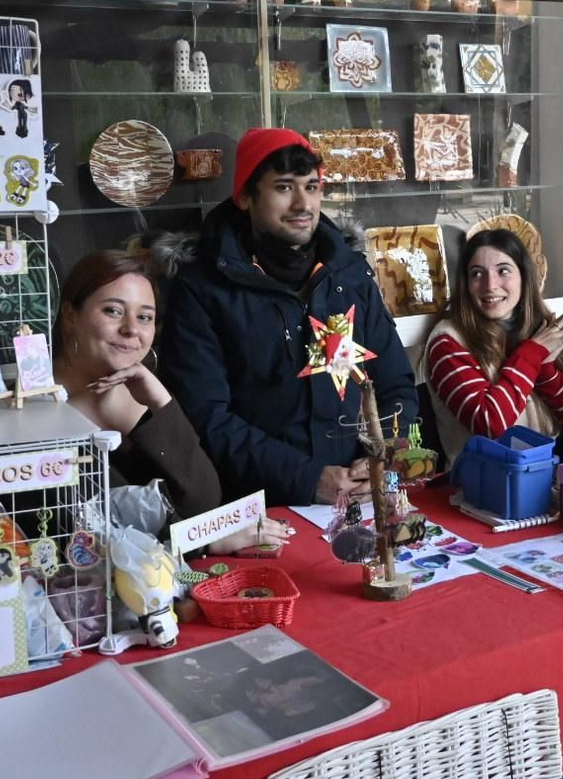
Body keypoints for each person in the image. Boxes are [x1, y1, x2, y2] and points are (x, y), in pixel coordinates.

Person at [158, 128, 417, 507]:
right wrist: (308, 478)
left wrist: (383, 455)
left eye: (312, 187)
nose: (303, 204)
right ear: (246, 196)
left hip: (362, 495)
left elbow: (395, 383)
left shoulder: (349, 275)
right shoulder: (203, 290)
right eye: (284, 188)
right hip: (259, 509)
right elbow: (205, 419)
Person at [54, 250, 289, 551]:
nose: (132, 329)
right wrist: (202, 543)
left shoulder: (143, 393)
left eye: (145, 317)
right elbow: (83, 538)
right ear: (71, 316)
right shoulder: (39, 413)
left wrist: (161, 401)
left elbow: (202, 498)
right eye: (113, 311)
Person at [425, 227, 563, 454]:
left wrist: (546, 372)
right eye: (477, 274)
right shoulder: (447, 342)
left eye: (503, 271)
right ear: (465, 283)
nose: (490, 285)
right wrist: (533, 354)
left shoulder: (546, 331)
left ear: (524, 277)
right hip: (488, 487)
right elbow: (490, 424)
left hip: (556, 481)